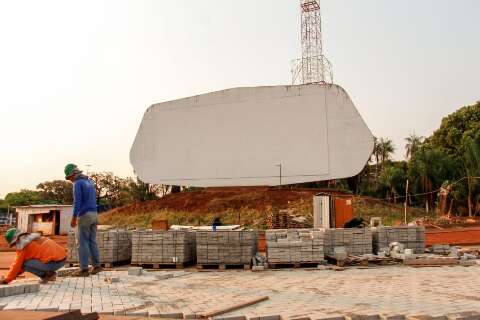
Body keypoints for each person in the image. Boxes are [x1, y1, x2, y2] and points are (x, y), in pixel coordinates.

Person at [64, 163, 102, 277]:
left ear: (72, 174)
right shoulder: (90, 182)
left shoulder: (78, 183)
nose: (70, 180)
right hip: (94, 214)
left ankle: (84, 270)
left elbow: (77, 202)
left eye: (69, 178)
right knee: (92, 240)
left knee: (82, 242)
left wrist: (74, 217)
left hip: (84, 215)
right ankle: (97, 266)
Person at [0, 228, 66, 284]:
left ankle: (47, 276)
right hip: (63, 260)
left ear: (15, 240)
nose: (15, 245)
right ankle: (50, 274)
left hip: (53, 263)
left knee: (24, 263)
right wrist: (16, 274)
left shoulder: (22, 245)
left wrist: (6, 280)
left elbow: (17, 264)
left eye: (14, 244)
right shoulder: (33, 237)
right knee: (25, 263)